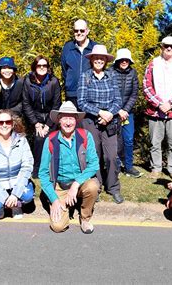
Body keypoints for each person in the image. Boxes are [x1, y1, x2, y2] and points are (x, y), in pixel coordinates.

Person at [38, 101, 100, 234]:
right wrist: (54, 200)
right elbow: (42, 174)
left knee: (93, 186)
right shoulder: (50, 140)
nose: (68, 122)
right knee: (58, 227)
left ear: (76, 120)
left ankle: (85, 218)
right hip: (60, 187)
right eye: (64, 118)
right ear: (59, 120)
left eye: (71, 118)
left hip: (80, 183)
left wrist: (76, 184)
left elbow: (94, 164)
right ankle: (66, 204)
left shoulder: (85, 136)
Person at [77, 45, 124, 204]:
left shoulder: (111, 77)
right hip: (91, 121)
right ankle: (96, 186)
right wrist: (100, 112)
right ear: (91, 59)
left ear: (106, 60)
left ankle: (113, 187)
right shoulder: (85, 76)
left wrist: (109, 114)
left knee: (111, 155)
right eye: (95, 57)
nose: (98, 60)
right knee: (94, 155)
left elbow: (118, 100)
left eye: (102, 58)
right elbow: (81, 102)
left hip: (110, 121)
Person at [143, 36, 172, 181]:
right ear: (162, 47)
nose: (169, 48)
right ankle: (156, 168)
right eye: (166, 46)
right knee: (155, 143)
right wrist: (159, 104)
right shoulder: (153, 64)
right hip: (155, 111)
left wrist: (170, 104)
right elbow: (146, 86)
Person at [0, 110, 34, 220]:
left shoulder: (22, 141)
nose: (4, 125)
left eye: (8, 122)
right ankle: (2, 207)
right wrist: (5, 198)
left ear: (13, 124)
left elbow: (27, 166)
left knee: (28, 197)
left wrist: (15, 195)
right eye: (0, 122)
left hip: (16, 182)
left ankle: (15, 205)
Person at [22, 55, 61, 178]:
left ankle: (53, 167)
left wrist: (48, 125)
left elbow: (56, 104)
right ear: (34, 67)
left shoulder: (53, 81)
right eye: (39, 65)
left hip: (51, 117)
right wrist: (36, 123)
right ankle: (37, 168)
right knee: (39, 139)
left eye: (44, 65)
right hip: (35, 117)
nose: (42, 68)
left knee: (52, 138)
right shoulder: (28, 81)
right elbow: (26, 104)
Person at [111, 48, 141, 178]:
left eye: (126, 59)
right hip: (113, 112)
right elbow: (109, 93)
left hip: (128, 113)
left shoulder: (133, 73)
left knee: (128, 139)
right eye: (122, 59)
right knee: (115, 140)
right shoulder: (110, 72)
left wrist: (125, 110)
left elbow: (134, 94)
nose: (124, 62)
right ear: (117, 60)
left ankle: (128, 166)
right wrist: (118, 110)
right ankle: (116, 166)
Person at [61, 19, 98, 108]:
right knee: (72, 121)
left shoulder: (95, 47)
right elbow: (64, 70)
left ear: (87, 31)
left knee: (88, 122)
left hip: (90, 94)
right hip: (72, 94)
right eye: (76, 30)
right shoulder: (67, 47)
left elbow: (100, 69)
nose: (79, 33)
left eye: (82, 30)